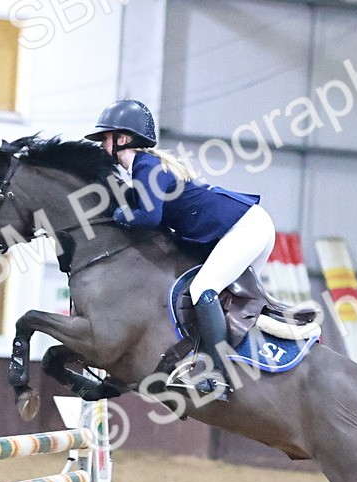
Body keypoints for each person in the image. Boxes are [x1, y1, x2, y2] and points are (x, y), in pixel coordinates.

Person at [86, 99, 275, 399]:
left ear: (123, 139)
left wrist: (119, 216)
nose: (101, 145)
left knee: (204, 290)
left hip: (247, 227)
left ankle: (217, 377)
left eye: (105, 138)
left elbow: (150, 218)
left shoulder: (145, 166)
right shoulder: (144, 167)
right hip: (250, 225)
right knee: (227, 301)